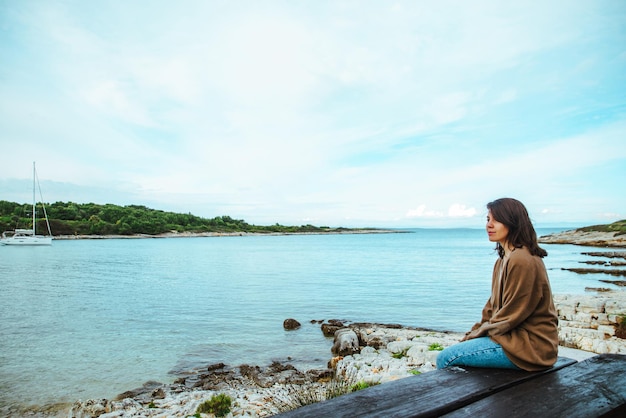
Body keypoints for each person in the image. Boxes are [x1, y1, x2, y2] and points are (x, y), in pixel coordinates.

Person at [436, 198, 559, 371]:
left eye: (497, 220)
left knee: (447, 358)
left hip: (531, 347)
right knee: (459, 353)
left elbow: (511, 315)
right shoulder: (503, 261)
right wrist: (473, 333)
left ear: (513, 222)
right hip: (512, 339)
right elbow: (491, 309)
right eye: (488, 220)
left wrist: (477, 334)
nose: (489, 225)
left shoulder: (522, 259)